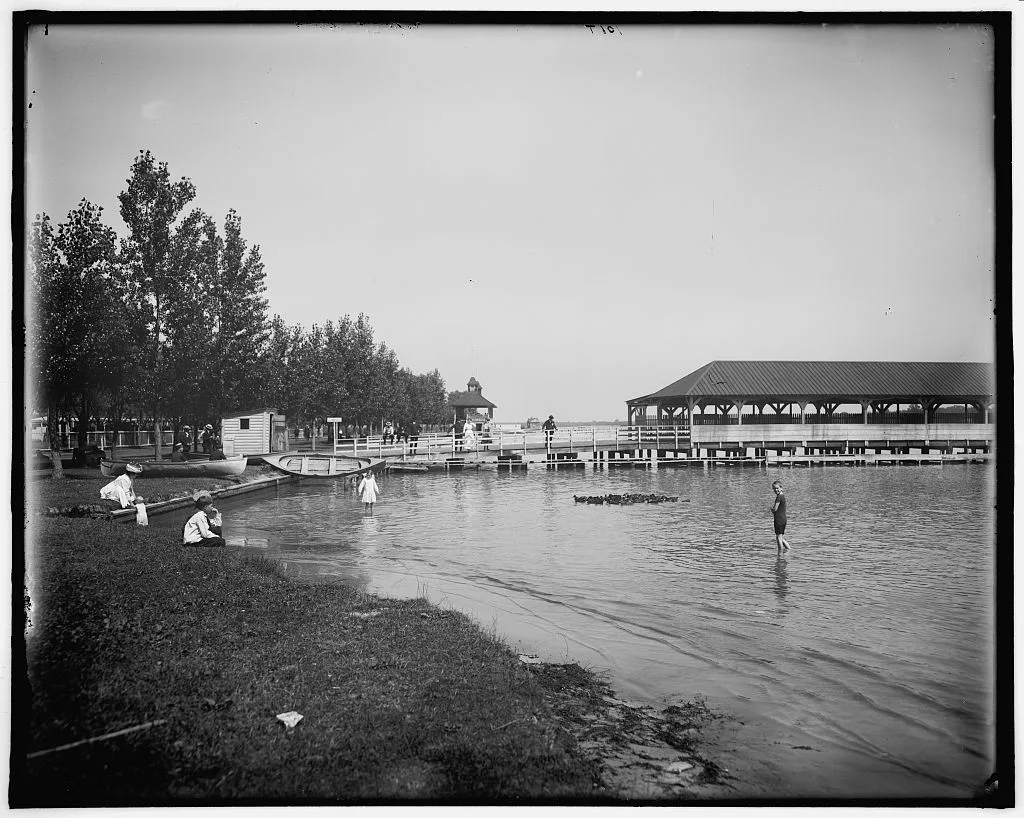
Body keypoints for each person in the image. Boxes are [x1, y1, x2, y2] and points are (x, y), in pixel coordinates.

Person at [770, 480, 791, 552]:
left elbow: (775, 509)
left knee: (778, 538)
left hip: (779, 520)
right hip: (783, 519)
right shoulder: (783, 496)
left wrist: (771, 509)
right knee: (781, 537)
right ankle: (789, 549)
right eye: (774, 489)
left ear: (781, 488)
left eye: (777, 488)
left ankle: (780, 554)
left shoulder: (778, 497)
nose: (776, 490)